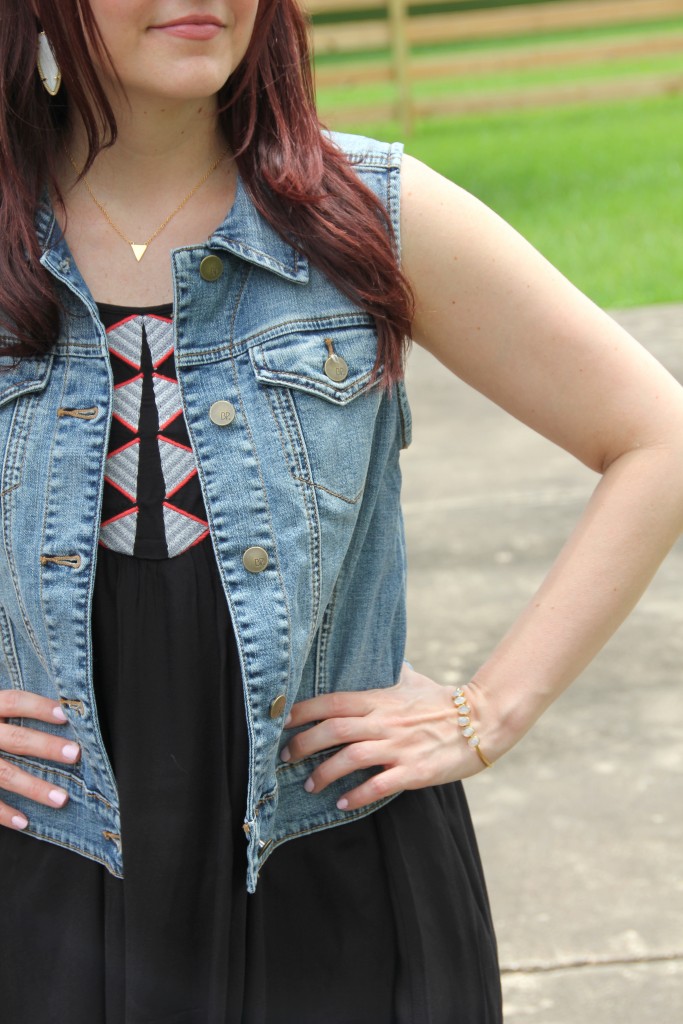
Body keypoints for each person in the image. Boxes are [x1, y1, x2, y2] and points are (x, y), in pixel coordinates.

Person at [1, 2, 682, 1022]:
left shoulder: (366, 211)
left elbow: (654, 437)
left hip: (336, 879)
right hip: (49, 872)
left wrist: (486, 712)